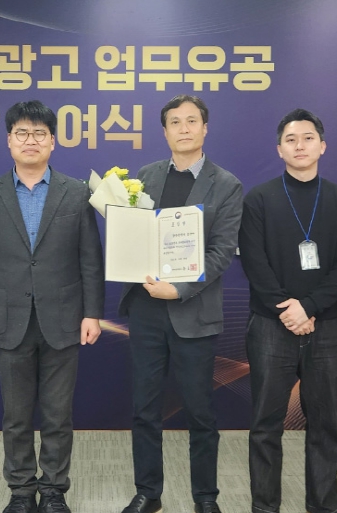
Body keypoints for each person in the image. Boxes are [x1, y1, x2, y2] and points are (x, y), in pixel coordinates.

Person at [0, 100, 105, 513]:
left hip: (64, 317)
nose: (31, 140)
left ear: (53, 141)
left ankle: (54, 490)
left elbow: (90, 259)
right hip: (8, 318)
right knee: (16, 415)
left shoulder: (76, 192)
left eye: (40, 133)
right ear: (9, 140)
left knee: (58, 414)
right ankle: (22, 491)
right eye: (22, 133)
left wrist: (92, 313)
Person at [118, 95, 243, 513]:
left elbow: (222, 252)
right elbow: (134, 236)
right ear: (165, 131)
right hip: (146, 308)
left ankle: (205, 497)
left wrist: (181, 289)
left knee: (200, 412)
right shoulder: (146, 176)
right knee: (144, 408)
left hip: (193, 311)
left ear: (205, 128)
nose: (184, 128)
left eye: (192, 121)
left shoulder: (226, 184)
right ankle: (148, 492)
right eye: (175, 122)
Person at [238, 108, 337, 513]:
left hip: (326, 327)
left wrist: (308, 307)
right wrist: (288, 310)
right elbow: (254, 262)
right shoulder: (258, 200)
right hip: (270, 326)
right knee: (265, 425)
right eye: (290, 140)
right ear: (279, 149)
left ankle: (323, 505)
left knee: (327, 425)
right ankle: (265, 506)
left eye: (308, 138)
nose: (299, 146)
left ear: (322, 146)